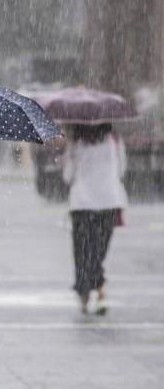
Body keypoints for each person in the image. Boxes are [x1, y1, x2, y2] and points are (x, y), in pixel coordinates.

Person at [62, 123, 126, 315]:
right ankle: (99, 291)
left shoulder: (75, 144)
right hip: (108, 201)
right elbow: (121, 170)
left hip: (82, 203)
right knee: (98, 250)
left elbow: (68, 176)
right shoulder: (114, 141)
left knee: (83, 251)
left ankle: (85, 293)